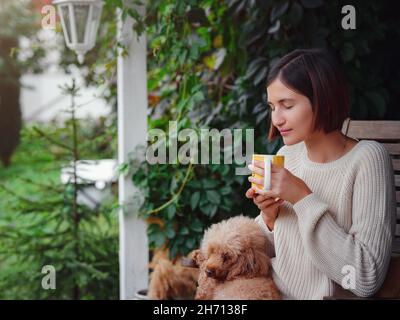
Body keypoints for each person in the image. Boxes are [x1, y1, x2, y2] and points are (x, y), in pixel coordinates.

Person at [245, 48, 396, 299]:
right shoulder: (288, 155)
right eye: (272, 107)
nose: (277, 119)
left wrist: (302, 197)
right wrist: (270, 217)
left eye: (287, 105)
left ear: (322, 100)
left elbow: (365, 277)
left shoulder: (367, 159)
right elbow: (272, 252)